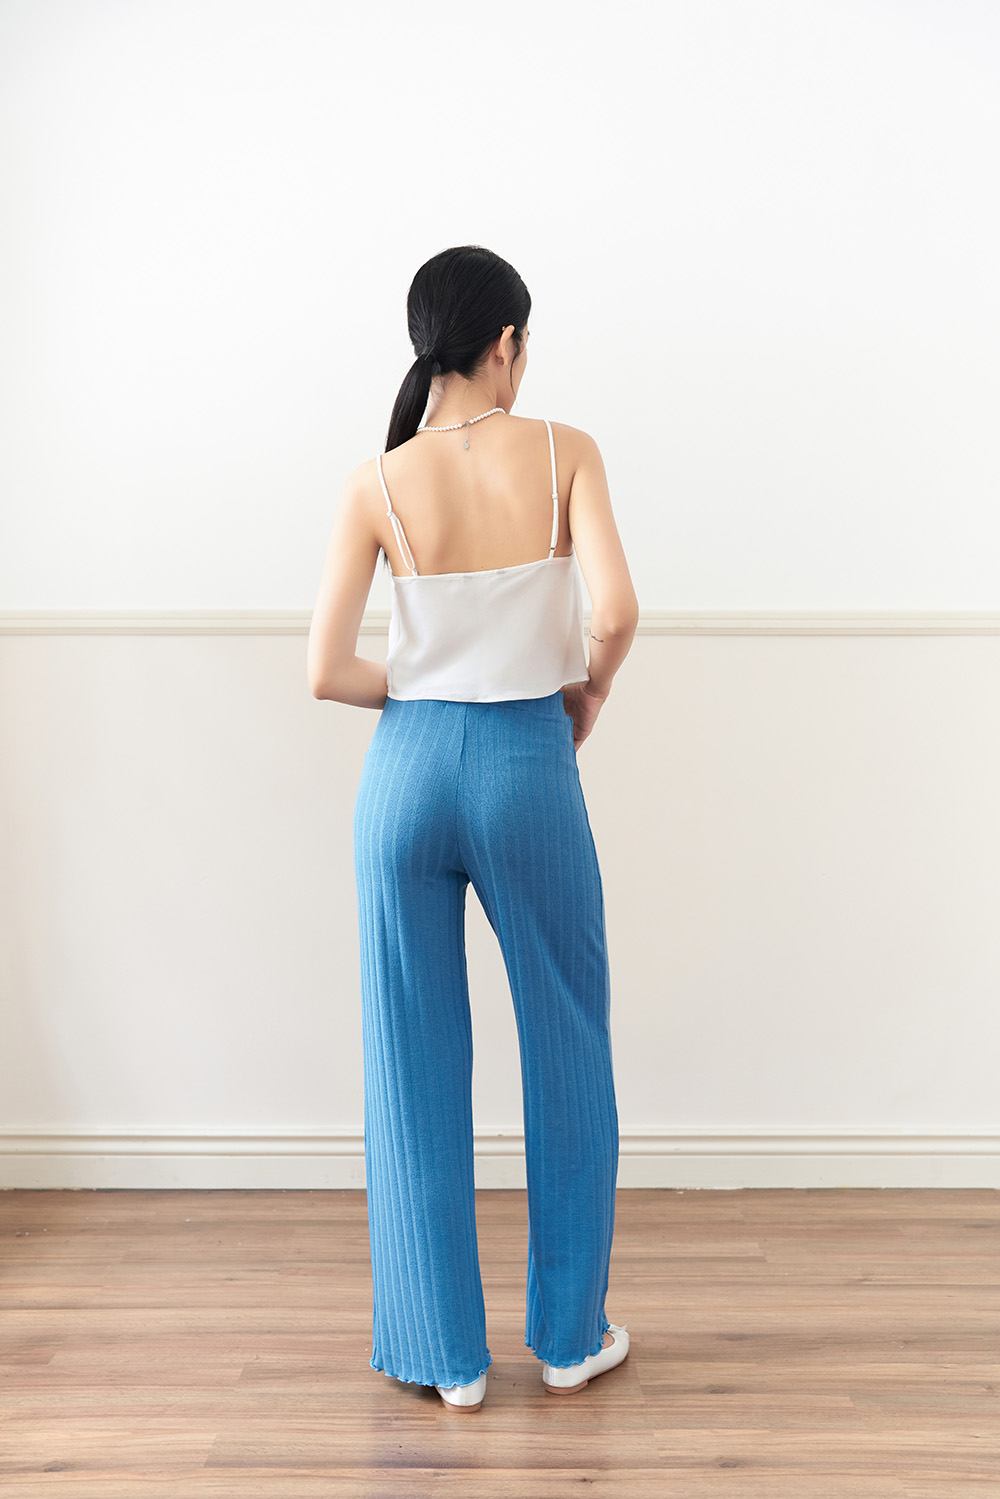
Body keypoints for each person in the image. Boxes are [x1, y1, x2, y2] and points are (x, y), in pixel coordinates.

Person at [307, 245, 639, 1413]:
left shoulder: (375, 479)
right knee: (566, 1035)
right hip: (523, 762)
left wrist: (421, 690)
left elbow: (324, 669)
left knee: (411, 1059)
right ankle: (568, 1337)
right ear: (506, 342)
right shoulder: (564, 450)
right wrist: (584, 694)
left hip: (401, 774)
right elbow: (616, 610)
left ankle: (445, 1355)